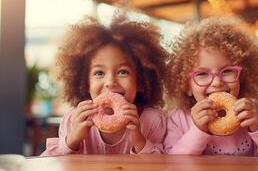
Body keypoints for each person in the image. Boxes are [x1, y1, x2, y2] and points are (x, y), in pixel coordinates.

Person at [163, 16, 258, 159]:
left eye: (227, 71)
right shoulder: (178, 119)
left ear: (242, 76)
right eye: (202, 74)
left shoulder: (255, 114)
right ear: (186, 85)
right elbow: (172, 165)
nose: (217, 82)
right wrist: (197, 131)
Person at [41, 13, 168, 155]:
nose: (110, 82)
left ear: (142, 81)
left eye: (122, 72)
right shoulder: (74, 120)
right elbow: (51, 165)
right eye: (99, 73)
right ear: (85, 83)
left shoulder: (152, 120)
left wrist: (139, 141)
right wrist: (73, 140)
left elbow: (161, 168)